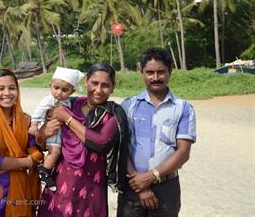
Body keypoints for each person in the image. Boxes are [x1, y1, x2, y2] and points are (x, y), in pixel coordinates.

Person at [37, 63, 129, 217]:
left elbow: (100, 143)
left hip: (91, 187)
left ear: (113, 87)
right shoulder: (70, 104)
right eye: (94, 83)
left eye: (105, 85)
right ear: (86, 81)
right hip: (60, 183)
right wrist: (43, 132)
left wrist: (67, 118)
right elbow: (40, 142)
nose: (98, 90)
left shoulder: (113, 114)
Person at [118, 48, 196, 217]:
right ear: (142, 73)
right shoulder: (128, 106)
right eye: (150, 72)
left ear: (170, 72)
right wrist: (140, 183)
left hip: (167, 188)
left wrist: (151, 177)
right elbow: (121, 148)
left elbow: (183, 152)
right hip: (132, 186)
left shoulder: (183, 108)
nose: (155, 77)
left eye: (160, 72)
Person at [0, 68, 43, 217]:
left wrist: (7, 167)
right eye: (1, 88)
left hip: (21, 189)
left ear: (18, 91)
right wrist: (25, 162)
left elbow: (35, 153)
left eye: (12, 88)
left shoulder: (25, 120)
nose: (7, 93)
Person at [29, 66, 84, 192]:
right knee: (55, 152)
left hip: (59, 132)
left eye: (64, 90)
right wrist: (34, 125)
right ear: (50, 86)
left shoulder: (69, 102)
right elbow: (39, 110)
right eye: (56, 88)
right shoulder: (49, 100)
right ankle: (44, 172)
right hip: (52, 131)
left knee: (56, 152)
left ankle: (47, 170)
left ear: (72, 91)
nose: (59, 92)